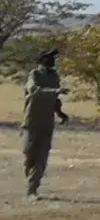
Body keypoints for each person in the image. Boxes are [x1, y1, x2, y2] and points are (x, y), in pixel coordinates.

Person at [21, 48, 69, 201]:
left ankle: (32, 189)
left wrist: (60, 112)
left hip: (47, 122)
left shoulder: (54, 77)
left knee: (42, 157)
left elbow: (55, 99)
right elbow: (34, 90)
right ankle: (30, 179)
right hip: (31, 121)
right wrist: (55, 90)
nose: (52, 61)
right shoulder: (34, 75)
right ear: (41, 60)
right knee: (29, 154)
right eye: (49, 58)